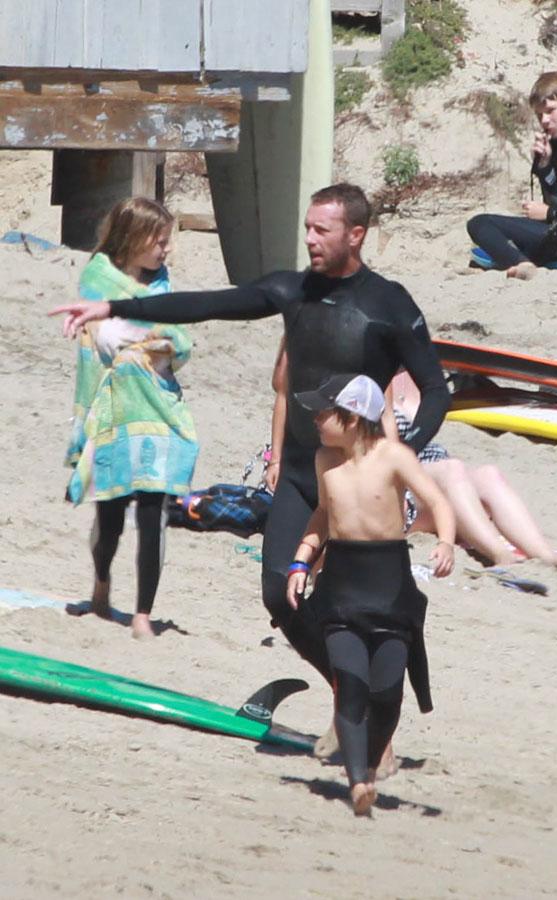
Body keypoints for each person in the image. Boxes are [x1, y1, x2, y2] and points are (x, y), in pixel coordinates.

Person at [50, 182, 450, 676]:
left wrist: (401, 455)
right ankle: (345, 690)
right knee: (277, 595)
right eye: (307, 228)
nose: (310, 238)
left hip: (359, 482)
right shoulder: (292, 290)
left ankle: (365, 707)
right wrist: (113, 308)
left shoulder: (389, 303)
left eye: (322, 230)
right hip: (305, 475)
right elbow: (210, 303)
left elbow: (437, 390)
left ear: (356, 235)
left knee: (363, 612)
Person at [286, 373, 455, 816]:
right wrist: (302, 561)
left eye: (324, 412)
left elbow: (437, 502)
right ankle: (359, 781)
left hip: (390, 585)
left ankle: (371, 765)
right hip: (342, 584)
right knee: (352, 683)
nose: (317, 419)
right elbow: (324, 514)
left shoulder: (394, 456)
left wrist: (446, 542)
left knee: (387, 692)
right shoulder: (325, 460)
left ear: (354, 417)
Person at [66, 197, 199, 639]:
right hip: (112, 410)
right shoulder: (98, 277)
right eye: (158, 242)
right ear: (134, 238)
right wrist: (144, 338)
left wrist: (148, 340)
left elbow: (178, 342)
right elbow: (102, 339)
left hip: (157, 408)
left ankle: (143, 612)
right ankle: (101, 582)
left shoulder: (162, 285)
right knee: (111, 518)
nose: (165, 251)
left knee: (152, 513)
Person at [390, 371, 557, 573]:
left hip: (434, 475)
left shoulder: (418, 367)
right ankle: (501, 555)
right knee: (452, 470)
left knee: (489, 475)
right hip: (398, 488)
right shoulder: (373, 374)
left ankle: (546, 556)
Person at [467, 71, 557, 279]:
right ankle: (525, 264)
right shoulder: (556, 143)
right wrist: (545, 166)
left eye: (550, 111)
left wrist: (551, 214)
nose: (545, 120)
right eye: (539, 115)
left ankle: (520, 256)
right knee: (479, 222)